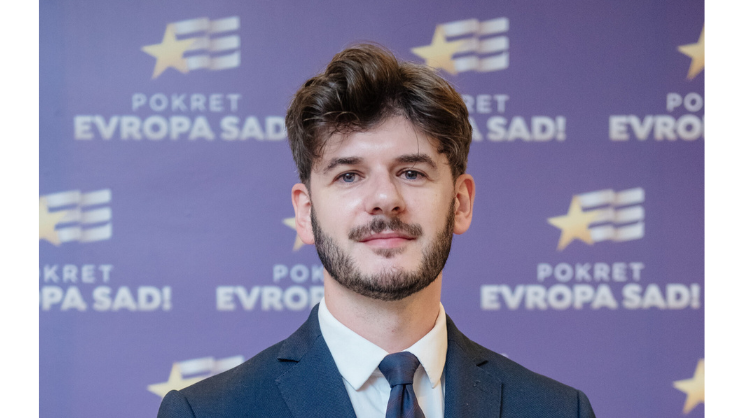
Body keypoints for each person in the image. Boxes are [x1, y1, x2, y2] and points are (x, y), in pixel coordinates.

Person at [158, 43, 596, 418]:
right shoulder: (207, 412)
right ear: (306, 213)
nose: (385, 198)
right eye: (349, 175)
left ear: (460, 203)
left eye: (411, 172)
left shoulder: (558, 410)